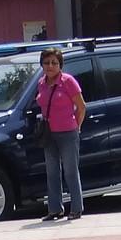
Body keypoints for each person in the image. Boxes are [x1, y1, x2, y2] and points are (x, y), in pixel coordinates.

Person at [35, 48, 87, 222]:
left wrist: (76, 127)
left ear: (60, 65)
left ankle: (77, 208)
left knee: (71, 171)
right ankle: (55, 209)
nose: (50, 66)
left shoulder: (68, 81)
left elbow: (81, 107)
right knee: (52, 172)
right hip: (49, 133)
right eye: (47, 62)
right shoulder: (41, 82)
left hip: (68, 132)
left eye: (54, 63)